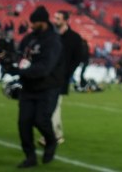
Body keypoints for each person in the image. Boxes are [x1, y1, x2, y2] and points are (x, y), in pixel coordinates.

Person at [14, 5, 63, 168]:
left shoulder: (53, 40)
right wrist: (12, 63)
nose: (31, 26)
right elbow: (20, 55)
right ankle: (30, 156)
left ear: (42, 22)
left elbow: (45, 67)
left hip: (48, 87)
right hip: (28, 87)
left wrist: (23, 71)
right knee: (24, 122)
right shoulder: (29, 39)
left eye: (34, 23)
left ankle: (51, 142)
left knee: (41, 121)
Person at [45, 10, 85, 147]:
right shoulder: (50, 35)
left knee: (54, 105)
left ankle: (54, 135)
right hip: (46, 75)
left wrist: (67, 73)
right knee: (48, 105)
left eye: (58, 18)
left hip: (61, 77)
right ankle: (53, 133)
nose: (55, 20)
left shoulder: (74, 38)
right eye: (55, 17)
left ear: (66, 20)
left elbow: (77, 58)